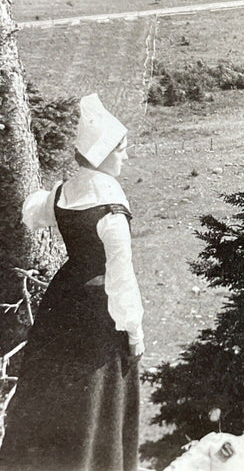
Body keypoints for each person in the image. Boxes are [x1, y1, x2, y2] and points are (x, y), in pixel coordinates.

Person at [0, 93, 144, 471]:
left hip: (62, 301)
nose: (125, 157)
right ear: (103, 155)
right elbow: (122, 277)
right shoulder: (112, 206)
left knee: (54, 387)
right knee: (97, 391)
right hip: (99, 309)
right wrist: (134, 334)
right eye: (121, 150)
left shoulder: (67, 191)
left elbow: (35, 211)